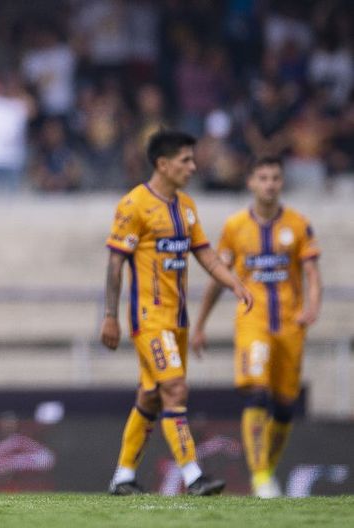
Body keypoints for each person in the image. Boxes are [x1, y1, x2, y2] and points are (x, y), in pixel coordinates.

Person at [100, 129, 253, 496]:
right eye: (185, 160)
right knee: (175, 389)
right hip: (149, 319)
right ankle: (194, 476)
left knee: (151, 397)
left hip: (178, 321)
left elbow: (205, 254)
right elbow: (116, 263)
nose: (193, 166)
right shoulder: (134, 205)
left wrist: (234, 283)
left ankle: (123, 477)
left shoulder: (186, 206)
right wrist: (110, 316)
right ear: (163, 164)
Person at [191, 156, 321, 498]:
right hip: (254, 323)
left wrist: (312, 307)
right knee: (257, 393)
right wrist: (200, 324)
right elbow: (219, 278)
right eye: (262, 178)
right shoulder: (235, 227)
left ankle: (265, 474)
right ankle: (261, 476)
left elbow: (311, 273)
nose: (269, 184)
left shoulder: (298, 224)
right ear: (250, 182)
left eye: (275, 178)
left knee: (285, 406)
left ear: (282, 182)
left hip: (290, 325)